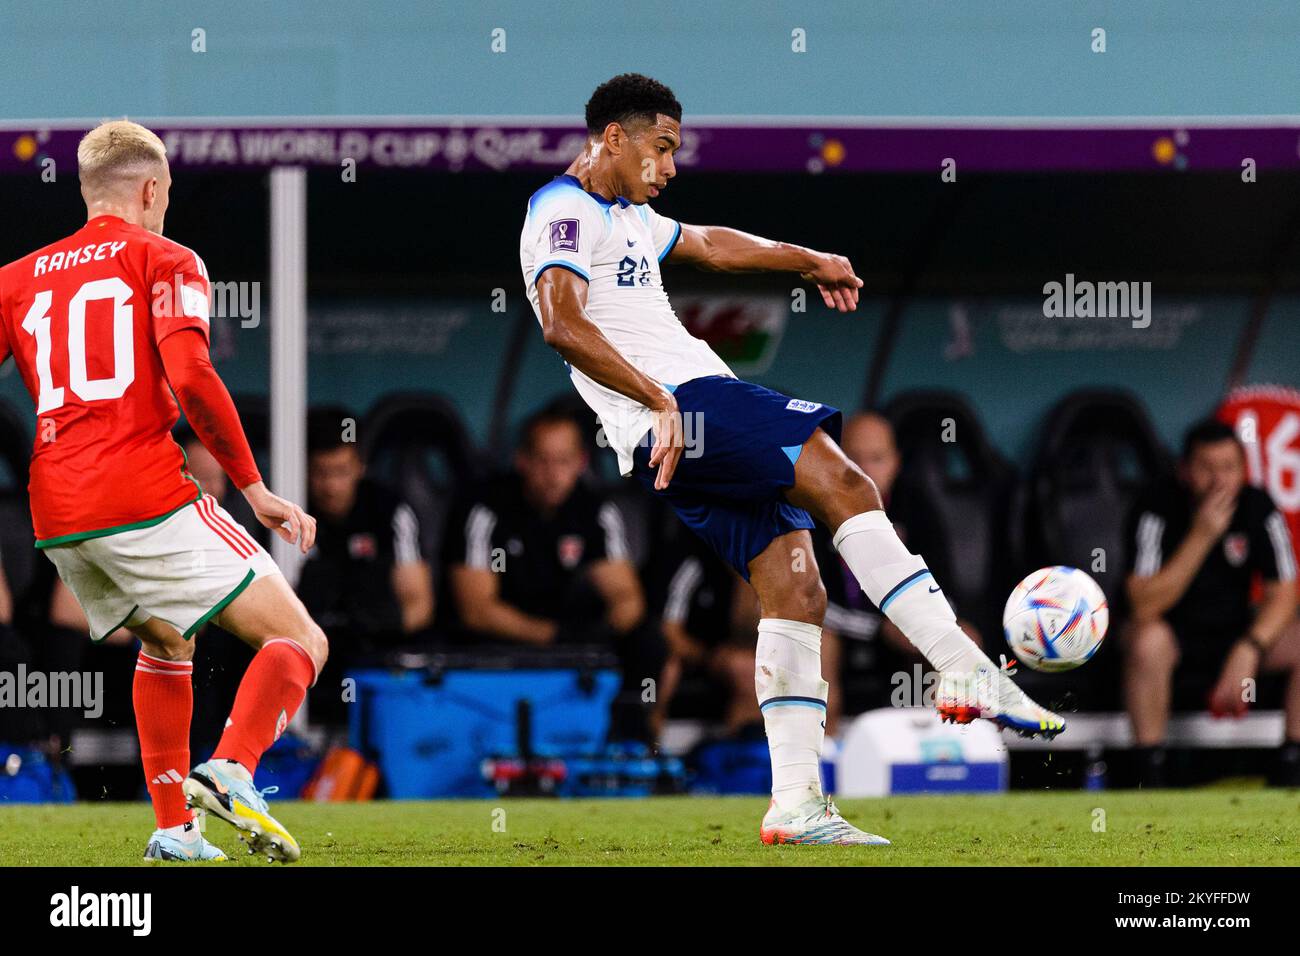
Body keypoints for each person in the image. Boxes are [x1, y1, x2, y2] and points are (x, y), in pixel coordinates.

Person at [520, 73, 1061, 846]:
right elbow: (561, 325)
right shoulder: (561, 211)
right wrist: (661, 397)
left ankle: (796, 803)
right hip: (684, 407)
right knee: (846, 479)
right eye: (662, 147)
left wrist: (808, 258)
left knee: (796, 587)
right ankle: (963, 666)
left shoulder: (629, 216)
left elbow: (710, 244)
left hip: (675, 425)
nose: (671, 166)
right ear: (614, 137)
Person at [0, 120, 327, 862]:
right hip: (139, 492)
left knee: (166, 637)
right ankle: (234, 769)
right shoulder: (166, 258)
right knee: (300, 638)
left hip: (57, 509)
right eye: (167, 194)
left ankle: (176, 829)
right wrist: (254, 487)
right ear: (152, 190)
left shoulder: (16, 279)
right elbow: (193, 377)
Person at [1125, 418, 1299, 787]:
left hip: (1235, 635)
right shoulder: (1157, 506)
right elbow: (1143, 604)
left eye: (1229, 468)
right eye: (1207, 469)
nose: (1220, 480)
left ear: (1243, 469)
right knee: (1147, 640)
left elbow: (1285, 592)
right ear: (1185, 471)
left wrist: (1249, 649)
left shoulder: (1257, 505)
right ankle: (1149, 777)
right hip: (1173, 636)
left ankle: (1292, 772)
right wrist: (1202, 536)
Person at [297, 407, 434, 724]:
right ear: (303, 469)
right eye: (320, 472)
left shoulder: (389, 511)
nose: (331, 485)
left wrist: (370, 625)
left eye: (341, 471)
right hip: (307, 659)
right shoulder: (283, 511)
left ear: (360, 465)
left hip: (376, 660)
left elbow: (419, 605)